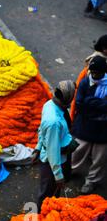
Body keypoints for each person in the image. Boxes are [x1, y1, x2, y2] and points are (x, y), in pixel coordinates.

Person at [36, 80, 76, 211]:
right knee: (48, 194)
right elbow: (53, 152)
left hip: (58, 155)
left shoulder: (49, 104)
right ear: (67, 99)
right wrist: (58, 176)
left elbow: (41, 130)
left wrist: (38, 147)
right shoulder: (54, 122)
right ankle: (42, 218)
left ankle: (51, 212)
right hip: (53, 162)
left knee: (51, 193)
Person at [71, 56, 107, 195]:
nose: (94, 75)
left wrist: (90, 102)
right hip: (85, 127)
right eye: (92, 72)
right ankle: (71, 171)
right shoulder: (86, 83)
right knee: (77, 152)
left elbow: (85, 102)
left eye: (97, 73)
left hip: (104, 130)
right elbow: (79, 103)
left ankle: (91, 182)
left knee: (99, 159)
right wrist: (101, 105)